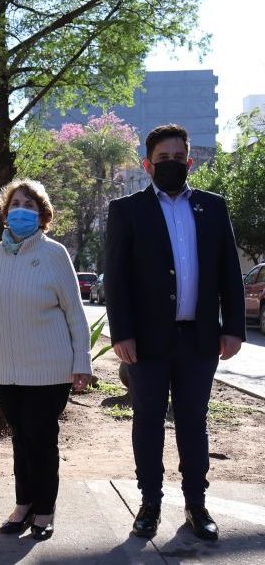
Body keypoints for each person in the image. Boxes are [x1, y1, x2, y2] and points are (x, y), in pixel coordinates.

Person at [104, 124, 245, 541]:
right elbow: (117, 279)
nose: (171, 164)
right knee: (147, 421)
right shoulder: (127, 210)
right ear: (147, 165)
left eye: (177, 157)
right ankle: (149, 504)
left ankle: (196, 505)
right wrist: (122, 333)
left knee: (193, 422)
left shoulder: (213, 207)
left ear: (190, 160)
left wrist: (233, 328)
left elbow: (228, 273)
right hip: (145, 342)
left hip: (199, 340)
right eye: (162, 159)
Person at [0, 179, 92, 541]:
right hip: (4, 368)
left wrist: (81, 361)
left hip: (48, 368)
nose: (21, 209)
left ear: (42, 214)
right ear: (5, 214)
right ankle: (23, 505)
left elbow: (74, 312)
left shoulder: (55, 254)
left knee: (41, 438)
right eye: (15, 203)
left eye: (29, 204)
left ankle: (45, 511)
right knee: (20, 438)